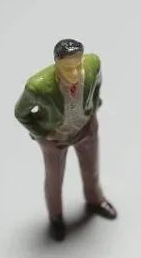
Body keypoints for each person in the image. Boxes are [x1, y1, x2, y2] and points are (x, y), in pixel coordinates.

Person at [14, 39, 116, 241]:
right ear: (57, 64)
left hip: (86, 128)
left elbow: (97, 83)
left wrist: (93, 107)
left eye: (77, 65)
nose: (74, 72)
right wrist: (43, 134)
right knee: (54, 179)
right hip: (56, 139)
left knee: (91, 169)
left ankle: (95, 200)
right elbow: (21, 113)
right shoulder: (38, 87)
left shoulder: (93, 65)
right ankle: (56, 217)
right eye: (68, 68)